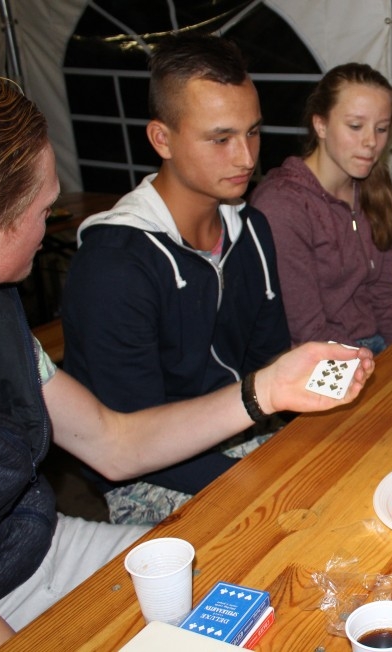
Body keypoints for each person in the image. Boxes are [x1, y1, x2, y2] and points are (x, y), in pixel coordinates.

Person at [0, 75, 373, 651]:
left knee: (275, 594)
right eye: (45, 210)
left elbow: (112, 442)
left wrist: (267, 388)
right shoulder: (113, 263)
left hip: (38, 544)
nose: (52, 223)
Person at [59, 33, 292, 525]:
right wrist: (266, 482)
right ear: (161, 139)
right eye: (220, 139)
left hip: (243, 426)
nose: (246, 158)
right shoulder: (114, 266)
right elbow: (129, 440)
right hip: (149, 469)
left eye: (252, 132)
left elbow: (268, 358)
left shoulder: (252, 229)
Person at [250, 63, 392, 354]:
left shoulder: (373, 188)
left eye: (381, 129)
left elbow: (386, 294)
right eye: (355, 126)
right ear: (320, 124)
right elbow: (307, 329)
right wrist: (372, 364)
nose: (371, 142)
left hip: (373, 345)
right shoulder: (283, 205)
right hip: (319, 358)